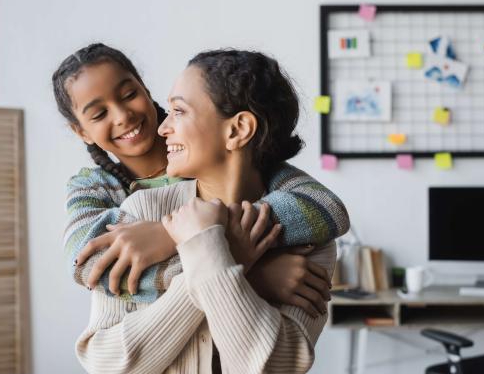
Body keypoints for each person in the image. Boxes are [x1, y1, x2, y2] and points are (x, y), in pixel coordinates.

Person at [76, 49, 340, 374]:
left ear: (237, 129)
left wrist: (210, 248)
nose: (163, 126)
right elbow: (111, 371)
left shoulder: (306, 234)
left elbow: (264, 372)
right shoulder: (138, 215)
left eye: (180, 111)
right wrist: (237, 262)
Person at [54, 44, 349, 316]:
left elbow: (325, 208)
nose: (121, 116)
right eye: (99, 113)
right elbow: (89, 264)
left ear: (145, 88)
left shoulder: (214, 156)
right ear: (80, 131)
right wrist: (246, 273)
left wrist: (171, 234)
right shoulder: (92, 188)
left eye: (129, 94)